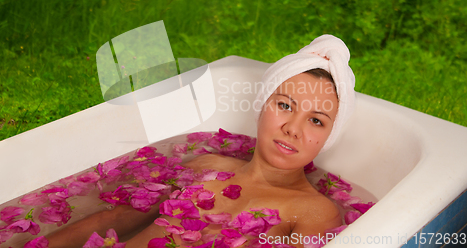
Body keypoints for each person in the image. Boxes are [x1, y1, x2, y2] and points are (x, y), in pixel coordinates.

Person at [47, 34, 355, 248]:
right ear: (262, 105)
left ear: (329, 136)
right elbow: (114, 220)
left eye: (316, 120)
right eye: (285, 106)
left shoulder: (316, 210)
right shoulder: (207, 165)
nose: (293, 128)